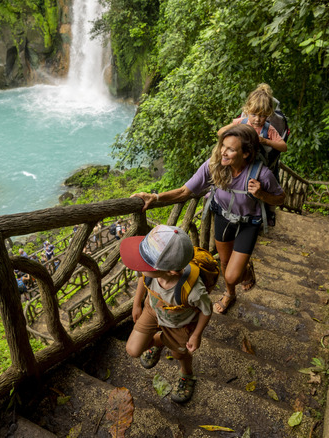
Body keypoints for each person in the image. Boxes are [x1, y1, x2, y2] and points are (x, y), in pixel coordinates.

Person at [131, 124, 285, 314]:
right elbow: (184, 192)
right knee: (225, 263)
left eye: (231, 149)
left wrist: (261, 194)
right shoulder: (213, 166)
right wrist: (154, 197)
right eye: (223, 146)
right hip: (222, 215)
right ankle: (230, 294)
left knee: (232, 274)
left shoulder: (262, 174)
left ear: (245, 153)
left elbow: (280, 198)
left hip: (248, 222)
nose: (223, 152)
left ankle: (245, 270)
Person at [121, 225, 212, 403]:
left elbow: (206, 310)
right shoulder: (151, 274)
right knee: (133, 350)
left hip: (179, 324)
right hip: (152, 310)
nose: (139, 265)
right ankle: (162, 340)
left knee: (179, 354)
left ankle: (187, 374)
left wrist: (196, 335)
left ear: (171, 271)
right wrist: (137, 303)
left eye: (144, 262)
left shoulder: (193, 291)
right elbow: (143, 277)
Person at [218, 83, 287, 228]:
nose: (257, 120)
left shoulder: (268, 129)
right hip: (240, 163)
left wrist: (265, 140)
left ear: (268, 115)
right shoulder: (241, 122)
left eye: (262, 116)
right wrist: (235, 131)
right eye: (254, 114)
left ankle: (268, 214)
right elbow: (220, 132)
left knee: (270, 184)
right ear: (247, 111)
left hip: (259, 167)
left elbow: (283, 146)